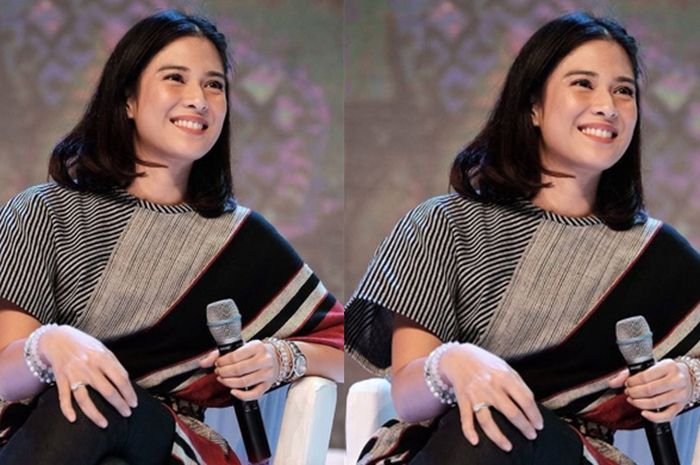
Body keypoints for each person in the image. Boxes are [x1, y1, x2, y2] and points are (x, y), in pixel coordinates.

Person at [345, 11, 700, 465]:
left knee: (498, 429)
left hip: (572, 455)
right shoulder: (443, 223)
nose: (607, 106)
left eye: (623, 91)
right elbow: (408, 398)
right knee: (485, 426)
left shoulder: (655, 253)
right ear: (533, 106)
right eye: (583, 84)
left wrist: (688, 379)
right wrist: (452, 363)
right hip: (447, 445)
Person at [0, 9, 344, 465]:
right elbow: (5, 377)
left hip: (169, 444)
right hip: (44, 428)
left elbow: (346, 347)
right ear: (127, 99)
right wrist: (48, 345)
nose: (198, 99)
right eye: (175, 79)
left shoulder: (239, 236)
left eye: (213, 85)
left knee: (95, 397)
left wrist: (283, 358)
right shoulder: (44, 212)